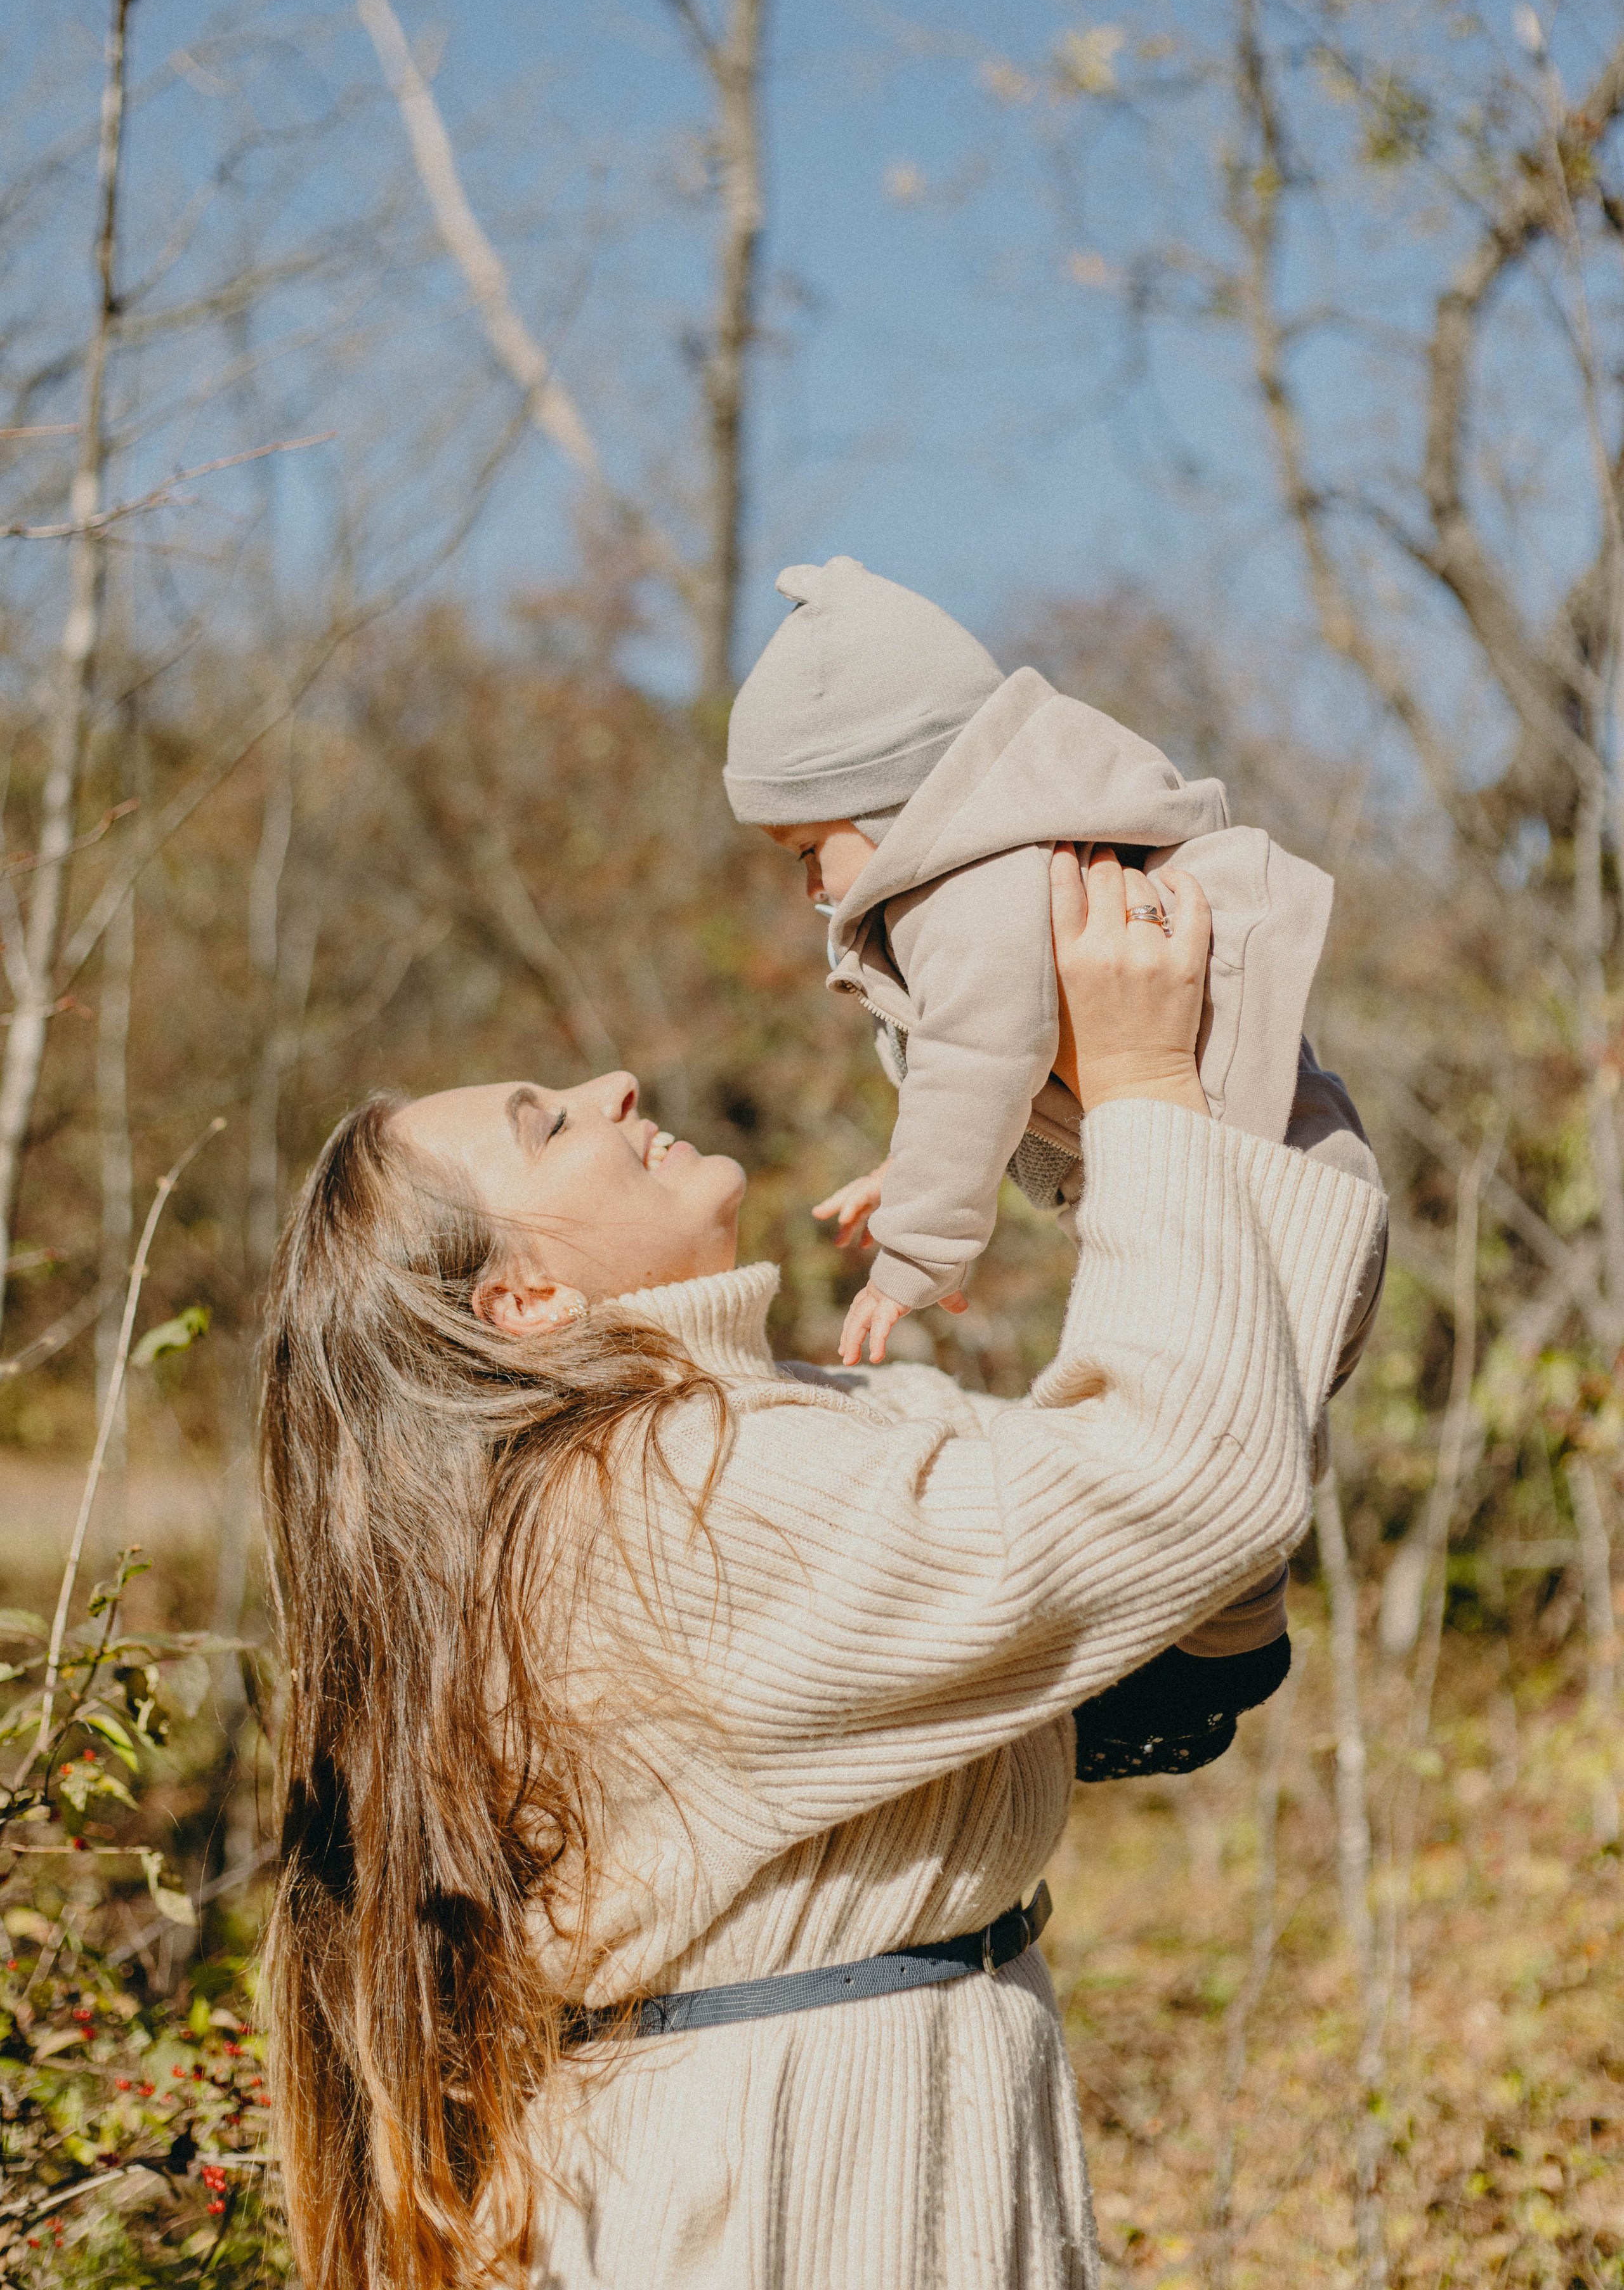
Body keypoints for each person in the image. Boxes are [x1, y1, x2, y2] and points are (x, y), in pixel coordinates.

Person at [258, 848, 1385, 2290]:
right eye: (548, 1125)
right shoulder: (663, 1507)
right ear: (525, 1299)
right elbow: (1181, 1490)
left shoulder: (752, 1433)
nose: (611, 1086)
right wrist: (1148, 1086)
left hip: (903, 2157)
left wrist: (1161, 1127)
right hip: (798, 2206)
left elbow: (1187, 1559)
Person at [723, 555, 1362, 1371]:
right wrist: (909, 1168)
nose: (811, 883)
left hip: (1277, 1196)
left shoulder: (965, 887)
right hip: (1282, 1172)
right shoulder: (994, 863)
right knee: (1246, 1428)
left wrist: (914, 1254)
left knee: (1215, 1425)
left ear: (893, 798)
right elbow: (991, 1070)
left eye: (809, 847)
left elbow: (978, 1059)